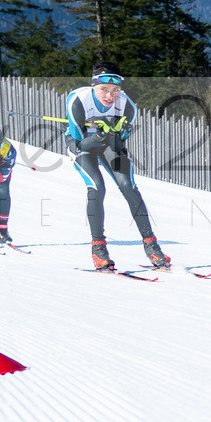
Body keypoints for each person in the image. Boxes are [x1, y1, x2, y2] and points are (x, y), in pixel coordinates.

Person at [65, 61, 170, 271]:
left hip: (109, 144)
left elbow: (120, 143)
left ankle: (152, 246)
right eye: (104, 89)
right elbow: (78, 144)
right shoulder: (77, 100)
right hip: (83, 144)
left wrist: (112, 135)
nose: (109, 96)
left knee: (128, 186)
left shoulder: (128, 106)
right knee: (97, 186)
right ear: (94, 86)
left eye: (115, 90)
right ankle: (98, 249)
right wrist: (97, 137)